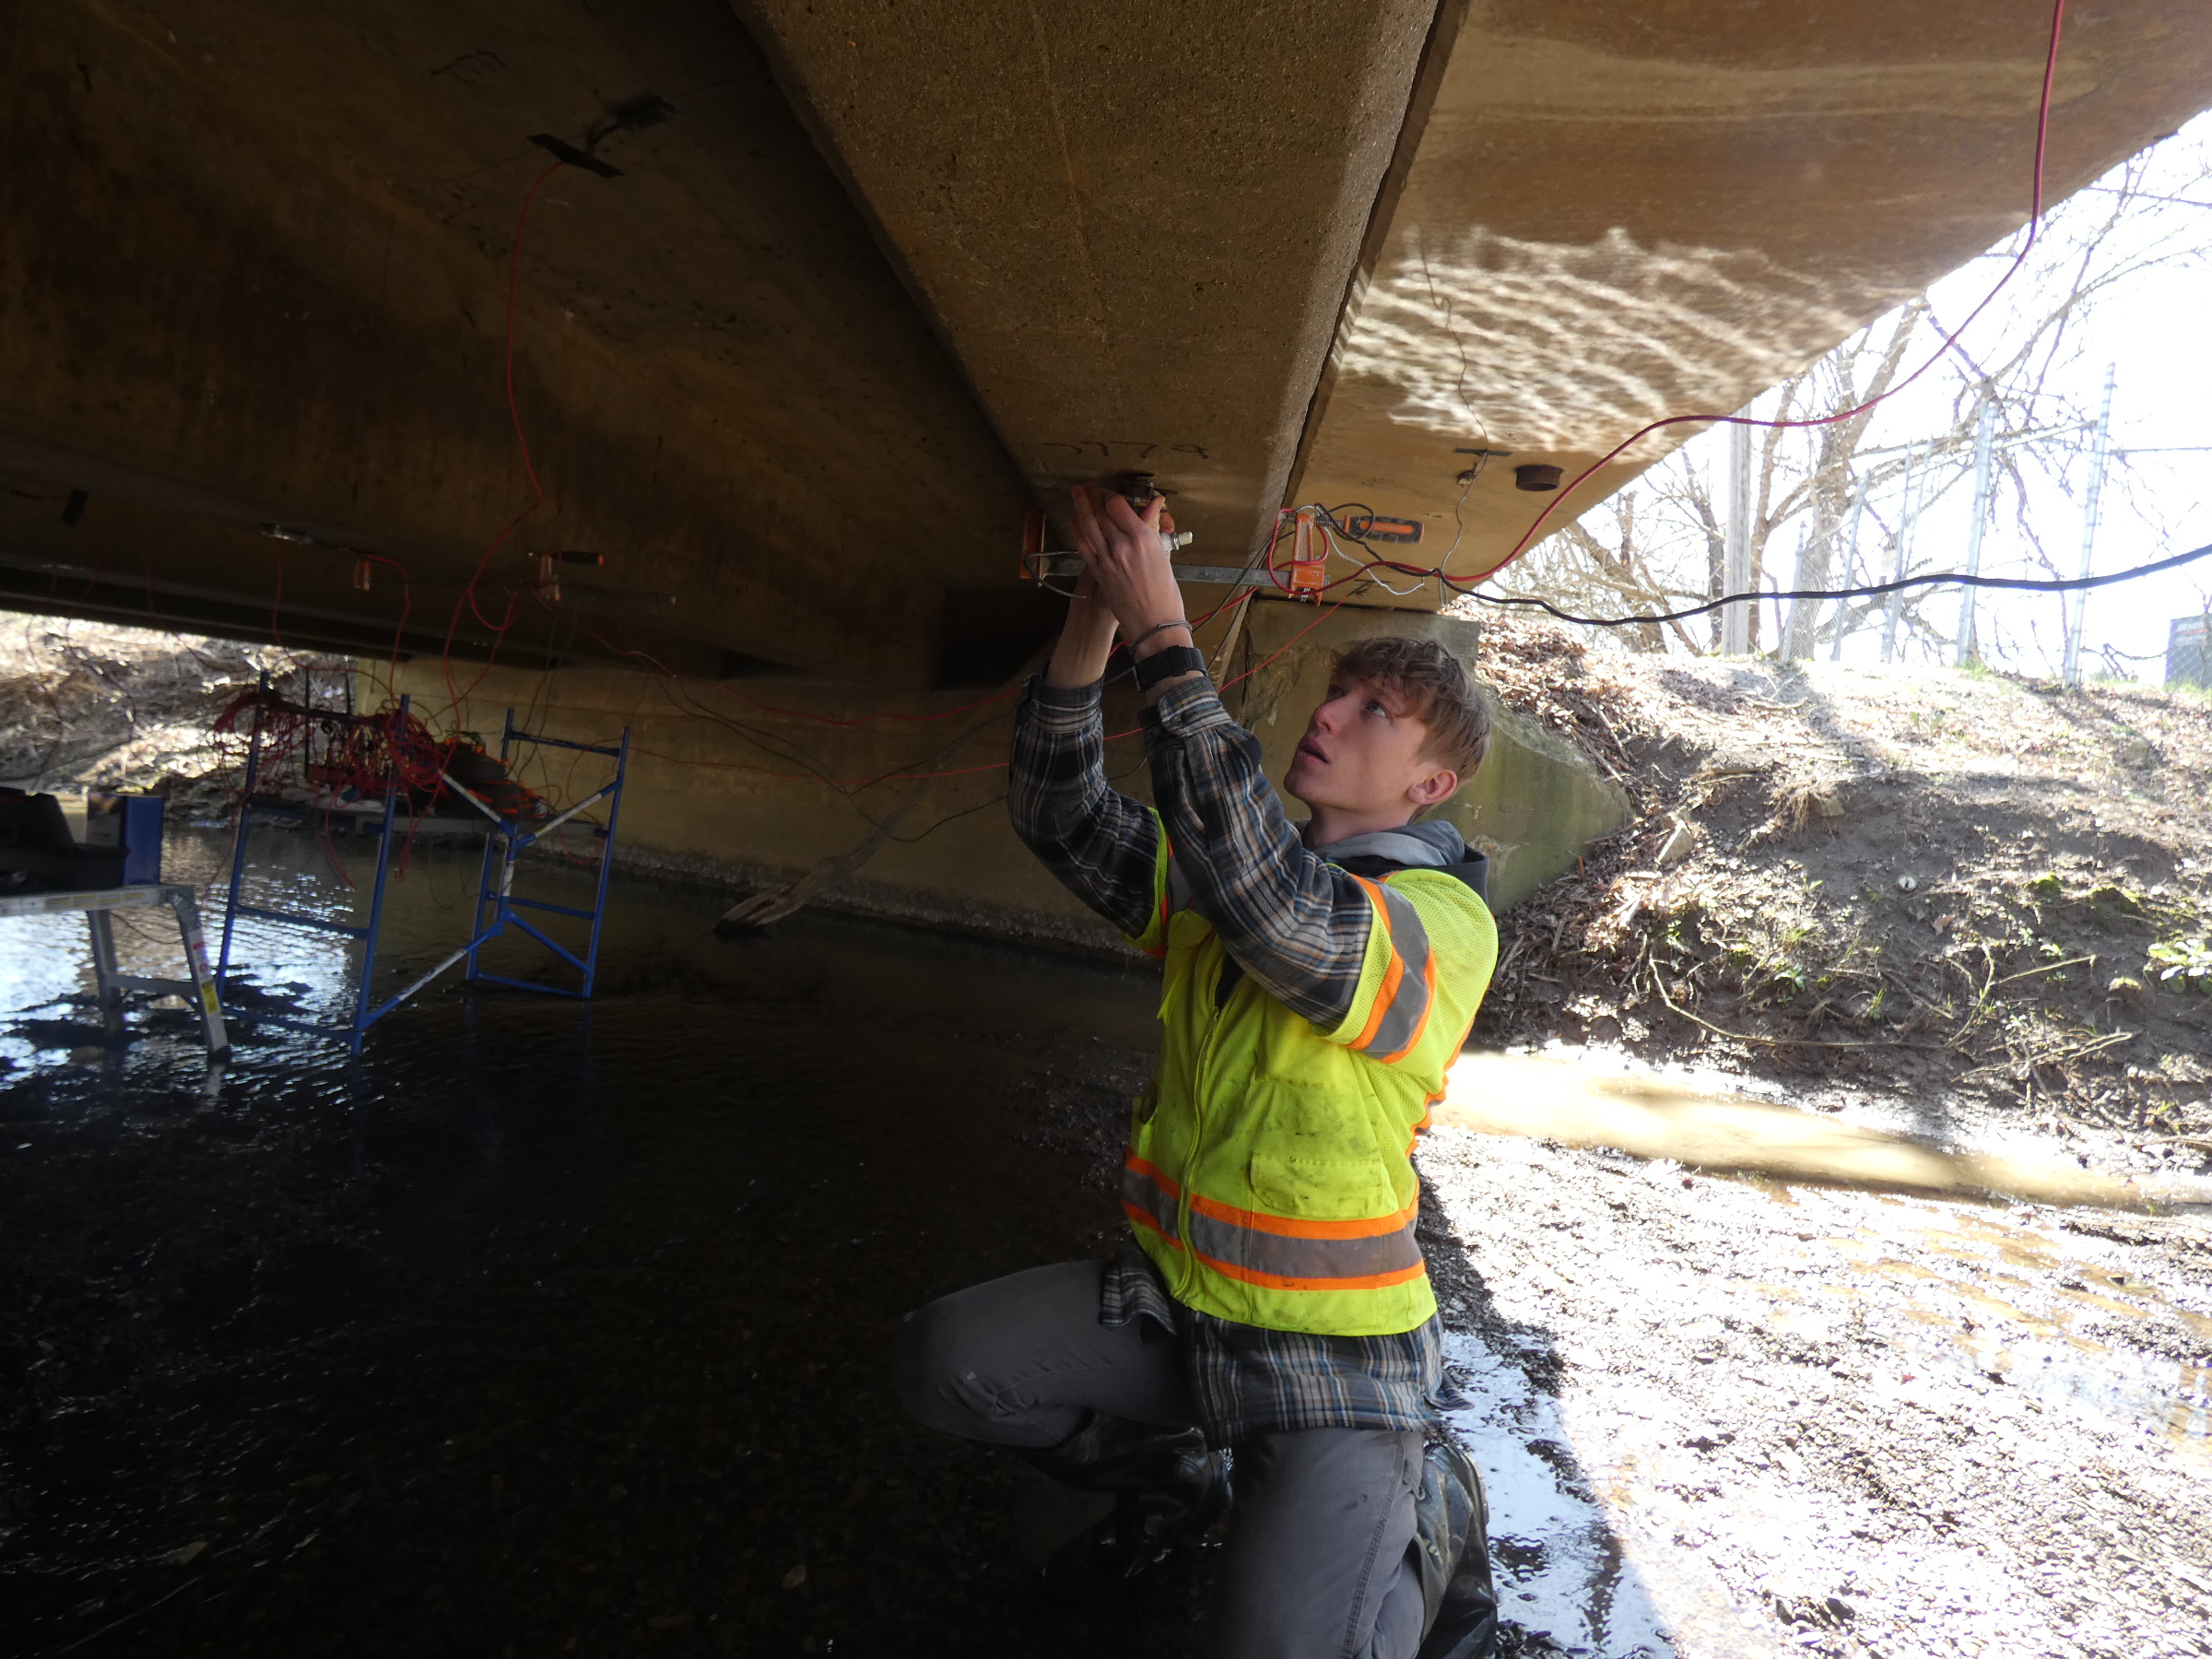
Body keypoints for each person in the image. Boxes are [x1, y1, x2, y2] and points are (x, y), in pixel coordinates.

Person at [892, 480, 1501, 1659]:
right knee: (946, 1363)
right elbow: (1059, 811)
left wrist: (1170, 635)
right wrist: (1096, 618)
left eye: (1377, 711)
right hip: (1184, 1316)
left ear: (1431, 787)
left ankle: (1426, 1512)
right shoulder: (1225, 878)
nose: (1332, 713)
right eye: (1338, 691)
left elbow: (1285, 919)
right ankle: (1184, 1483)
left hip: (1337, 1356)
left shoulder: (1441, 921)